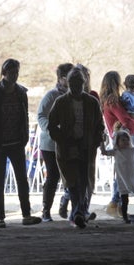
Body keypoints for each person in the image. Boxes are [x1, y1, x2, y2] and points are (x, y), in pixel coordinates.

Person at [0, 58, 42, 228]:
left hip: (16, 142)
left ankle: (26, 214)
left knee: (22, 180)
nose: (14, 75)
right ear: (4, 73)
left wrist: (25, 136)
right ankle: (0, 218)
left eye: (16, 72)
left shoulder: (21, 92)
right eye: (11, 72)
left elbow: (24, 116)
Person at [48, 67, 105, 228]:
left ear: (83, 83)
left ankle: (78, 214)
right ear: (68, 84)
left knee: (85, 181)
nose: (76, 87)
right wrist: (63, 141)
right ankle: (79, 213)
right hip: (67, 148)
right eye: (72, 83)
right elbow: (51, 125)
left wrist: (95, 141)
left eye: (79, 83)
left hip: (86, 147)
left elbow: (99, 125)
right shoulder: (60, 102)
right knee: (72, 182)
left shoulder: (92, 102)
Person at [99, 71, 134, 218]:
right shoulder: (113, 100)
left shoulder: (105, 100)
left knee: (122, 172)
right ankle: (117, 203)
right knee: (126, 171)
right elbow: (125, 119)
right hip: (123, 137)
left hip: (115, 137)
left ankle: (116, 204)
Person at [38, 63, 73, 222]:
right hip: (50, 144)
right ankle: (46, 211)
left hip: (69, 141)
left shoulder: (76, 96)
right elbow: (41, 116)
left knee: (71, 175)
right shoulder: (51, 95)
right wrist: (52, 130)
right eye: (69, 77)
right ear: (61, 79)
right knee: (53, 176)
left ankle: (69, 205)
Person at [100, 130, 134, 224]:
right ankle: (125, 216)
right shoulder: (116, 151)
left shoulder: (133, 150)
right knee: (124, 199)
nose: (125, 142)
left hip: (133, 177)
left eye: (127, 140)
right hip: (122, 179)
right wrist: (101, 141)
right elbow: (104, 152)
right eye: (123, 140)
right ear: (117, 142)